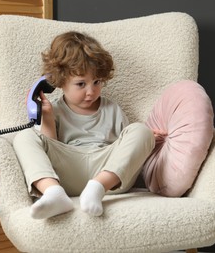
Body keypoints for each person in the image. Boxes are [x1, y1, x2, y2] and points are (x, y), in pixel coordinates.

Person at [13, 31, 155, 219]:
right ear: (58, 81)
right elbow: (50, 151)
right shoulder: (54, 110)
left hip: (107, 177)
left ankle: (97, 187)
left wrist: (150, 138)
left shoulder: (112, 109)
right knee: (24, 136)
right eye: (81, 84)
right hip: (67, 173)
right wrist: (46, 117)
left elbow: (126, 151)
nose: (91, 91)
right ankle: (53, 193)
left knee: (141, 131)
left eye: (96, 82)